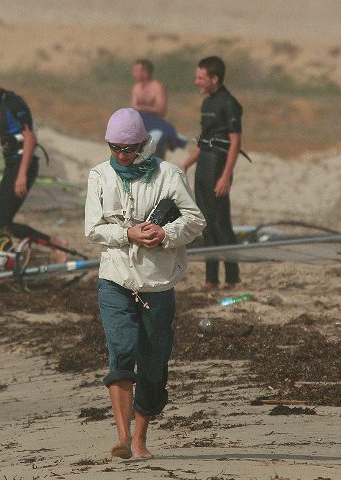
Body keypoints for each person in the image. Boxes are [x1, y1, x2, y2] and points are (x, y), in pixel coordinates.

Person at [85, 108, 205, 459]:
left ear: (143, 144)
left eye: (129, 148)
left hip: (158, 284)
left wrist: (165, 233)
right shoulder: (99, 175)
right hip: (115, 279)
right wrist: (128, 233)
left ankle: (140, 438)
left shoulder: (169, 175)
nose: (122, 155)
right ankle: (122, 439)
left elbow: (196, 220)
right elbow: (92, 228)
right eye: (115, 147)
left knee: (153, 367)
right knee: (121, 353)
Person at [0, 68, 67, 257]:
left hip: (24, 166)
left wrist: (22, 174)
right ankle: (52, 245)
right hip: (13, 167)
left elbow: (30, 138)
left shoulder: (13, 103)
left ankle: (45, 248)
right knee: (0, 224)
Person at [180, 56, 243, 290]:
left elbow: (235, 143)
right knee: (205, 222)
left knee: (221, 223)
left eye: (200, 78)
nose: (196, 82)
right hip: (203, 165)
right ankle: (211, 279)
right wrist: (186, 164)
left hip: (219, 165)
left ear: (214, 79)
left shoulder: (229, 104)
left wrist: (226, 176)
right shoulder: (207, 104)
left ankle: (233, 277)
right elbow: (203, 140)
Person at [130, 59, 186, 159]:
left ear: (145, 72)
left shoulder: (157, 87)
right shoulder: (136, 88)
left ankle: (174, 138)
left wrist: (142, 107)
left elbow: (161, 110)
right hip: (141, 122)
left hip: (155, 123)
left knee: (156, 152)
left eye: (136, 71)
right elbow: (134, 108)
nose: (133, 74)